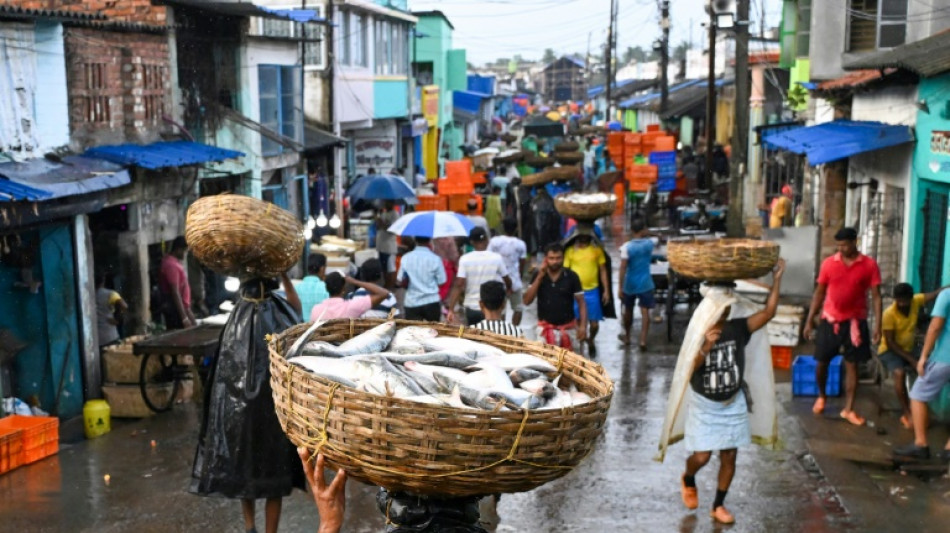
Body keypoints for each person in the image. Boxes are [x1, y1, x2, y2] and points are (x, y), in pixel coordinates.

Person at [191, 273, 304, 533]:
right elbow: (297, 311)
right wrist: (286, 276)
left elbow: (224, 374)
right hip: (273, 412)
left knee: (245, 467)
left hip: (240, 412)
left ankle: (250, 527)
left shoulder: (237, 316)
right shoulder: (280, 310)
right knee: (274, 473)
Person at [680, 260, 785, 525]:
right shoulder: (698, 330)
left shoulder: (739, 328)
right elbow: (688, 369)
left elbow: (769, 312)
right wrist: (705, 346)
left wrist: (778, 279)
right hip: (705, 403)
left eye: (726, 308)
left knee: (730, 455)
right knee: (702, 456)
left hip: (732, 401)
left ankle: (718, 504)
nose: (722, 312)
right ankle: (688, 477)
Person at [803, 227, 883, 426]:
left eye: (845, 245)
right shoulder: (829, 264)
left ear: (855, 241)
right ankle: (822, 395)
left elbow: (876, 297)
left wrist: (878, 325)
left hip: (855, 323)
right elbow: (819, 293)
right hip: (830, 320)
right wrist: (809, 320)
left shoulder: (869, 265)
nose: (841, 249)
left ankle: (848, 409)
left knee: (852, 366)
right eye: (838, 246)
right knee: (821, 362)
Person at [893, 287, 950, 461]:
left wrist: (924, 356)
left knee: (918, 395)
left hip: (945, 357)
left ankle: (920, 444)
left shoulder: (947, 295)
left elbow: (935, 326)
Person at [879, 283, 945, 429]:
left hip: (909, 348)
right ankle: (907, 412)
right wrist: (912, 360)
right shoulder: (889, 314)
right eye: (899, 300)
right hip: (890, 350)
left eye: (905, 301)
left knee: (927, 367)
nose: (902, 304)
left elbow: (935, 293)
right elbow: (890, 343)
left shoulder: (916, 301)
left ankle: (920, 408)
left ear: (910, 298)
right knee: (899, 372)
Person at [524, 243, 587, 351]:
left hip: (568, 330)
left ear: (563, 258)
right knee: (544, 365)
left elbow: (581, 303)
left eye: (558, 258)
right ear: (546, 259)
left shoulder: (572, 276)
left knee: (570, 365)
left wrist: (583, 327)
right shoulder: (538, 275)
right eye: (551, 258)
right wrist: (540, 277)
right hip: (544, 331)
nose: (555, 262)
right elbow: (527, 300)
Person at [447, 227, 512, 326]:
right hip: (492, 308)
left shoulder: (465, 259)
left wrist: (451, 309)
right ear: (487, 240)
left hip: (472, 308)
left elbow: (459, 284)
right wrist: (508, 288)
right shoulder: (496, 258)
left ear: (472, 242)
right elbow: (507, 280)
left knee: (473, 338)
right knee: (493, 338)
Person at [563, 229, 610, 354]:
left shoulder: (596, 250)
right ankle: (581, 352)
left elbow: (603, 270)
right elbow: (565, 272)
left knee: (594, 325)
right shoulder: (570, 251)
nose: (583, 238)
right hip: (575, 293)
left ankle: (591, 339)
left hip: (592, 291)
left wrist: (606, 290)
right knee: (578, 324)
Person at [618, 219, 654, 350]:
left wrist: (620, 287)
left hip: (630, 283)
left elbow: (622, 268)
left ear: (632, 231)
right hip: (645, 282)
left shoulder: (626, 247)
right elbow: (656, 240)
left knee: (628, 310)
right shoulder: (649, 244)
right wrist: (648, 232)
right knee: (645, 312)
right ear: (643, 230)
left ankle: (627, 336)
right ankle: (643, 340)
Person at [488, 217, 528, 326]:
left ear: (503, 228)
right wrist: (518, 276)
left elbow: (490, 259)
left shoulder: (494, 241)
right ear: (515, 229)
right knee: (518, 308)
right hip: (515, 280)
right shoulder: (521, 244)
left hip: (498, 280)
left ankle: (502, 331)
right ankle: (514, 330)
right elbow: (522, 263)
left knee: (500, 309)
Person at [397, 236, 447, 321]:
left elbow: (400, 279)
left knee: (414, 332)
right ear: (429, 240)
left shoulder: (406, 258)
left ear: (415, 240)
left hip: (411, 302)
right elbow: (442, 281)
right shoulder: (435, 259)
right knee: (433, 332)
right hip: (432, 302)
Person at [309, 272, 391, 321]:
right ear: (344, 289)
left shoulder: (316, 309)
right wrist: (355, 281)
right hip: (347, 346)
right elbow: (384, 293)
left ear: (326, 289)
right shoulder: (352, 306)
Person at [159, 236, 196, 329]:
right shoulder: (171, 265)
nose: (185, 254)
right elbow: (175, 292)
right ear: (178, 250)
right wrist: (184, 318)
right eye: (185, 251)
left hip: (184, 307)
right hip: (177, 310)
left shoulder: (174, 263)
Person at [95, 273, 128, 351]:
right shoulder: (110, 294)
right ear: (103, 281)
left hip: (95, 338)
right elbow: (124, 306)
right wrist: (117, 319)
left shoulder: (87, 294)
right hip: (109, 337)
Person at [375, 201, 400, 289]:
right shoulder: (383, 213)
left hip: (389, 247)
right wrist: (377, 221)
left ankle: (391, 286)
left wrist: (382, 223)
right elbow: (379, 227)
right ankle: (386, 285)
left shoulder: (395, 214)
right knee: (384, 268)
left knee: (391, 268)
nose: (386, 204)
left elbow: (392, 229)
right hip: (381, 246)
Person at [298, 253, 329, 321]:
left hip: (299, 329)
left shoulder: (296, 288)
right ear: (322, 269)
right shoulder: (326, 288)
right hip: (320, 329)